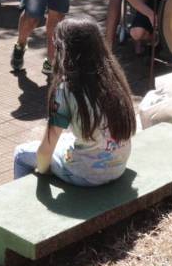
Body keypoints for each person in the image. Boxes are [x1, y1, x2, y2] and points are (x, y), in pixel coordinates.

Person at [12, 16, 136, 186]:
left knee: (20, 153)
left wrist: (45, 171)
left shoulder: (67, 89)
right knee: (68, 139)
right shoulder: (114, 79)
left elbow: (44, 152)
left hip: (85, 174)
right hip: (118, 167)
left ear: (63, 50)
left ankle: (23, 199)